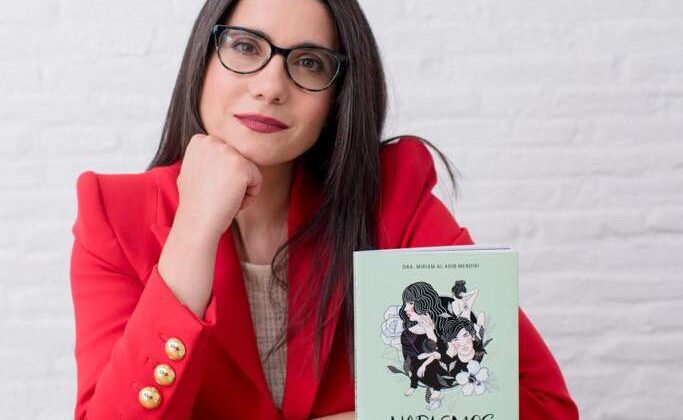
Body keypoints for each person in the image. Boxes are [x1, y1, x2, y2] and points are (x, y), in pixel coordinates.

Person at [68, 0, 580, 419]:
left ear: (337, 98)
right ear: (202, 59)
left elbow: (541, 407)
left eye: (309, 62)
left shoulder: (392, 200)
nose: (271, 87)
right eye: (245, 47)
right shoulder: (114, 217)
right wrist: (194, 229)